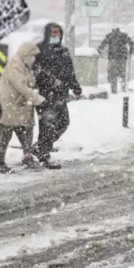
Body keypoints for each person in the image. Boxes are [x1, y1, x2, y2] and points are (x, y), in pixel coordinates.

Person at [32, 23, 82, 169]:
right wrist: (50, 80)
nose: (56, 35)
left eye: (58, 33)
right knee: (47, 125)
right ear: (47, 33)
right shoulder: (39, 50)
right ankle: (44, 155)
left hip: (60, 95)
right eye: (53, 33)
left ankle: (40, 147)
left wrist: (76, 88)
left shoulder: (63, 51)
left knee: (63, 122)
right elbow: (35, 71)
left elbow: (69, 72)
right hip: (45, 95)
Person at [0, 42, 46, 174]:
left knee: (26, 129)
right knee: (7, 131)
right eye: (32, 56)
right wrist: (37, 98)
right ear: (26, 55)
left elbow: (30, 82)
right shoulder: (14, 65)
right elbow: (21, 86)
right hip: (10, 103)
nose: (34, 59)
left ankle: (27, 156)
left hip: (20, 104)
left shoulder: (24, 65)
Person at [98, 27, 134, 93]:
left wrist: (99, 51)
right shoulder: (123, 35)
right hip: (122, 57)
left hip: (113, 57)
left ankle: (114, 90)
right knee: (122, 73)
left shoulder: (110, 36)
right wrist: (130, 51)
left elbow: (103, 44)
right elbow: (131, 43)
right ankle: (123, 87)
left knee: (113, 74)